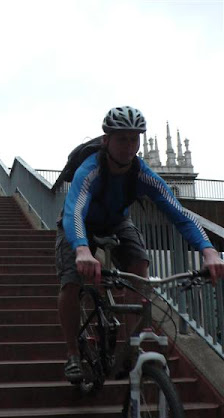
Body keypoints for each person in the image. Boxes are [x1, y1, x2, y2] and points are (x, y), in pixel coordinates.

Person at [56, 105, 224, 382]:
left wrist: (208, 251)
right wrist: (82, 249)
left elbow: (179, 213)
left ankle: (130, 346)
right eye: (122, 139)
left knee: (139, 264)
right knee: (71, 281)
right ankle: (73, 353)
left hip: (117, 221)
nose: (128, 146)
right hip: (79, 223)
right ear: (106, 140)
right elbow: (75, 210)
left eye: (134, 139)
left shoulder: (142, 173)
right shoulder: (91, 169)